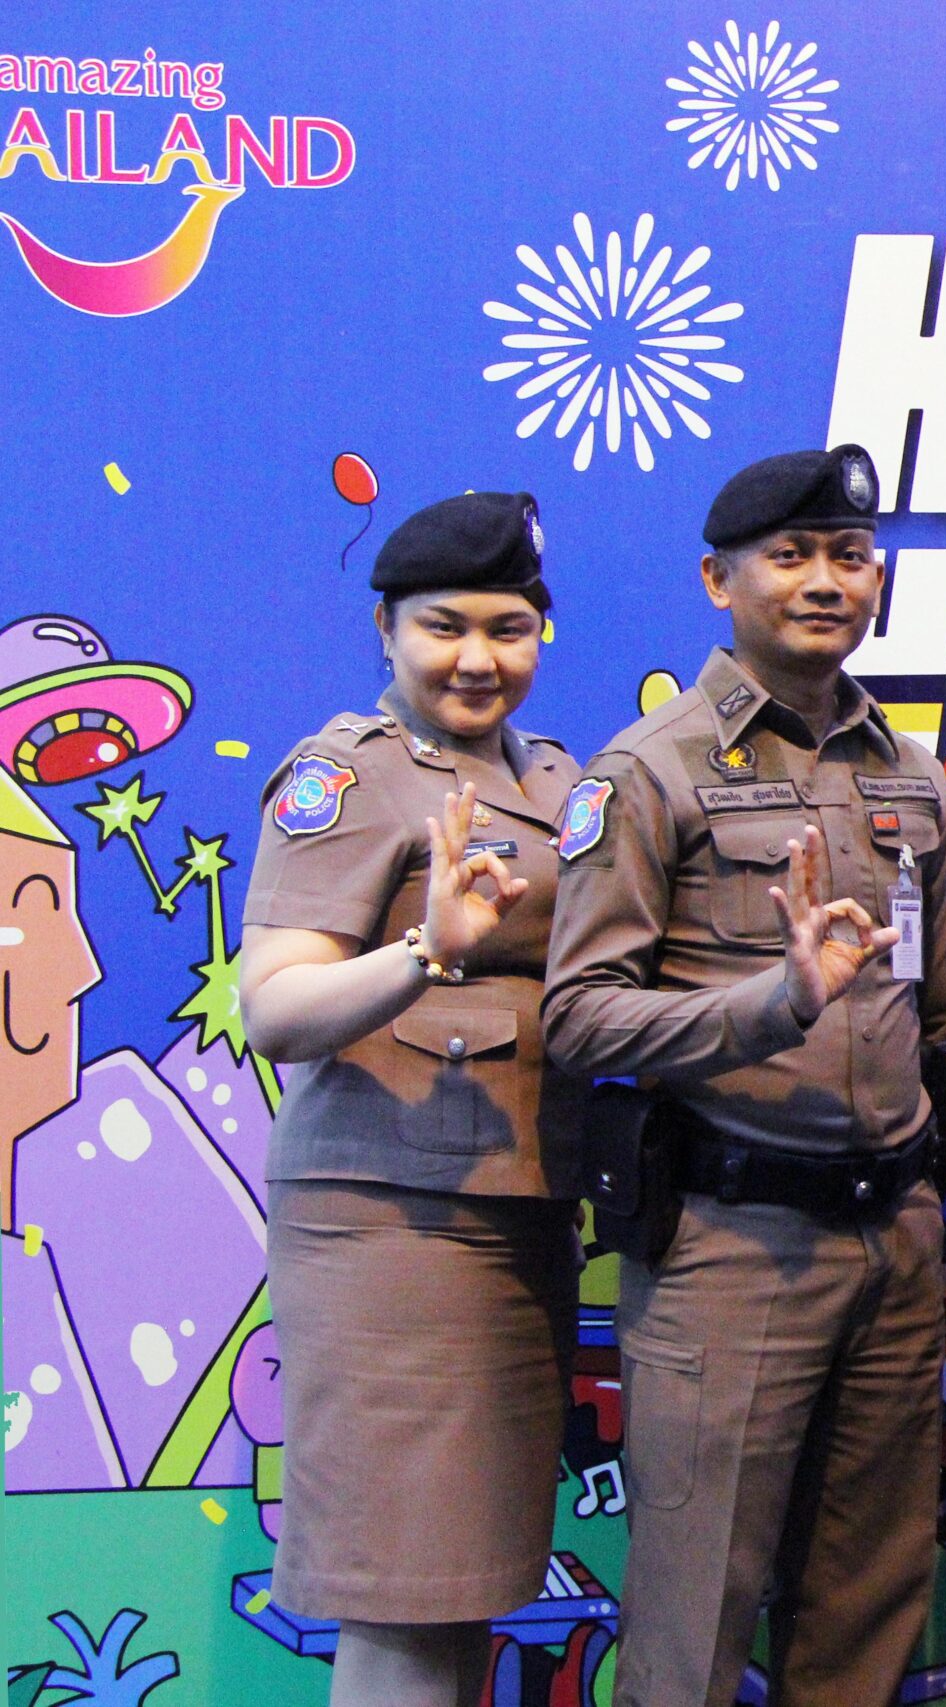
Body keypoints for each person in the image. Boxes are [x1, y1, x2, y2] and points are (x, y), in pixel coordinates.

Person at [541, 445, 946, 1707]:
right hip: (728, 1251)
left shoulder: (910, 778)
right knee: (693, 1627)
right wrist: (777, 1002)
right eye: (790, 556)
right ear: (717, 580)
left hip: (899, 1250)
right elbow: (581, 1017)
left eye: (849, 557)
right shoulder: (648, 770)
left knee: (865, 1620)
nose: (825, 581)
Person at [238, 491, 583, 1707]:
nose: (477, 659)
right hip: (390, 1220)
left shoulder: (557, 777)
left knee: (468, 1580)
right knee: (399, 1592)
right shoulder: (349, 775)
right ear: (386, 628)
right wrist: (424, 955)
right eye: (444, 626)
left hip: (522, 1209)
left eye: (509, 627)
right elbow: (272, 1010)